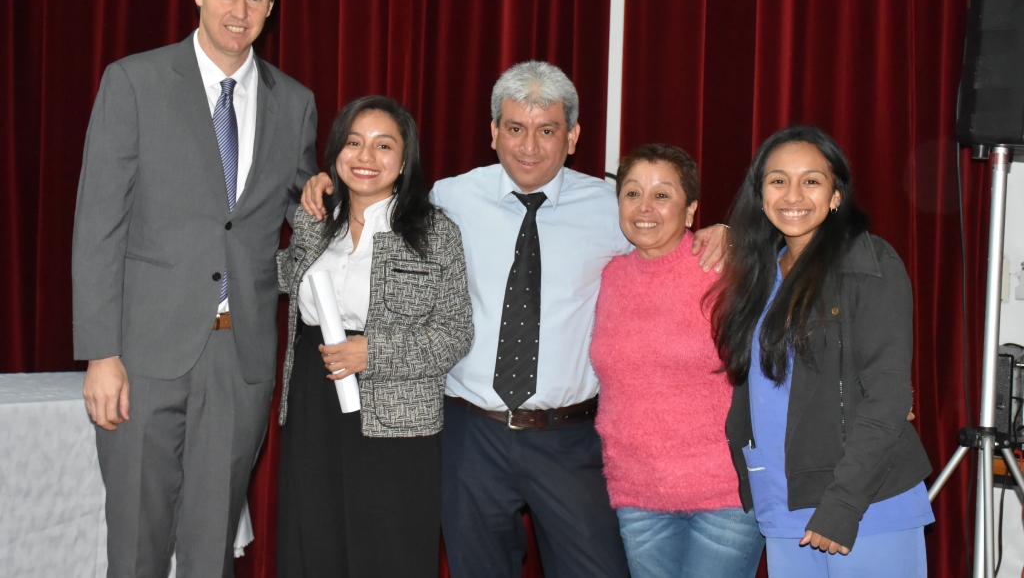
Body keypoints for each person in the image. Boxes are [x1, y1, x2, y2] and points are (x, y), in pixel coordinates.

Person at [302, 60, 728, 576]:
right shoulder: (448, 199)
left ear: (572, 136)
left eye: (547, 130)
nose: (530, 146)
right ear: (493, 133)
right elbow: (372, 204)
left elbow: (666, 238)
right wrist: (326, 183)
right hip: (469, 433)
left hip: (568, 437)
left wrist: (724, 232)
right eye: (515, 129)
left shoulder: (610, 207)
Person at [72, 0, 319, 576]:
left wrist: (331, 196)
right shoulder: (134, 81)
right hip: (144, 353)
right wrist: (101, 354)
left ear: (272, 6)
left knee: (212, 547)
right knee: (136, 540)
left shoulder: (294, 103)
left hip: (238, 359)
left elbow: (300, 207)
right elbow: (99, 224)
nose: (240, 11)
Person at [710, 126, 934, 576]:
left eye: (811, 180)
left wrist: (845, 505)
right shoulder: (758, 271)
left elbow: (888, 398)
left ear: (835, 195)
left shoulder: (869, 263)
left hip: (863, 505)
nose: (794, 194)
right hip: (783, 502)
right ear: (761, 193)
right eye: (778, 180)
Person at [275, 95, 473, 577]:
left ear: (404, 160)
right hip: (312, 398)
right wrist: (312, 195)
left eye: (384, 145)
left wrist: (375, 352)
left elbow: (455, 333)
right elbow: (283, 281)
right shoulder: (314, 220)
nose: (366, 157)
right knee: (314, 539)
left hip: (395, 415)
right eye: (353, 143)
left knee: (389, 548)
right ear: (336, 153)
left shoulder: (434, 232)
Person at [589, 143, 764, 578]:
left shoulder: (725, 269)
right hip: (638, 495)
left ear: (690, 211)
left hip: (725, 495)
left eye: (662, 194)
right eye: (632, 193)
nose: (644, 207)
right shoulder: (606, 276)